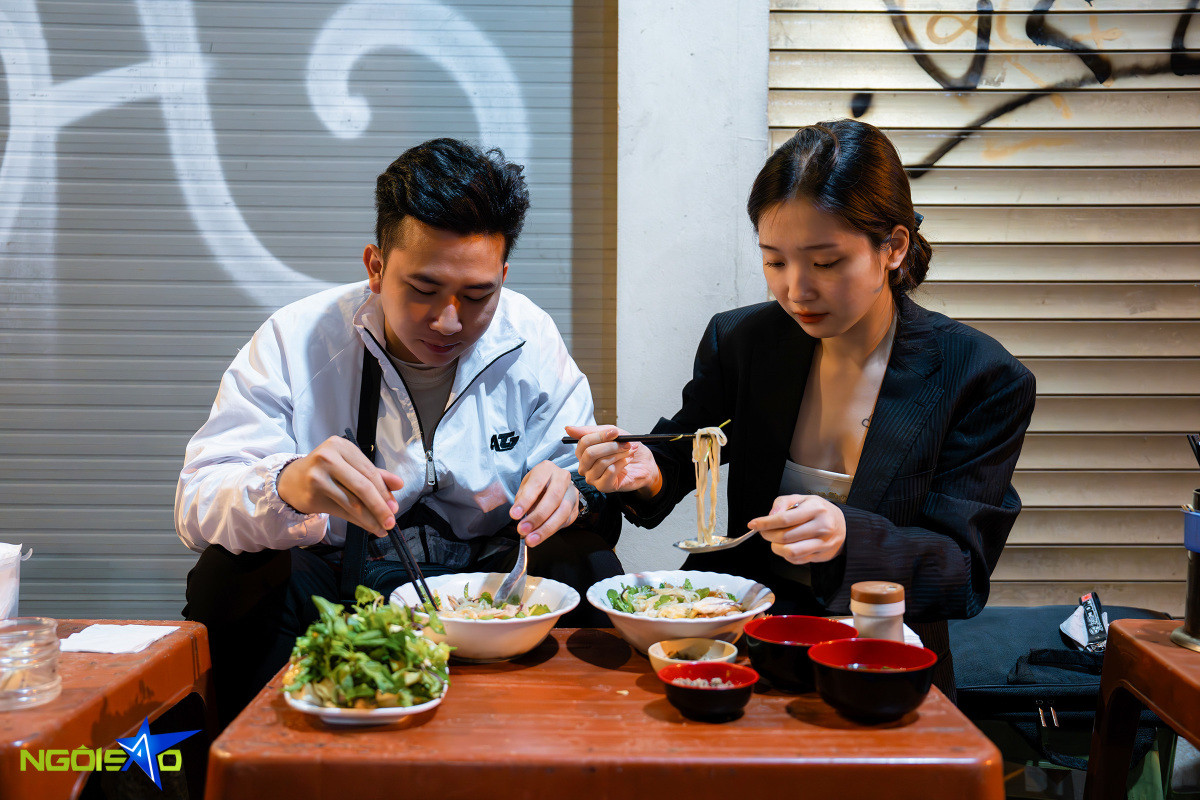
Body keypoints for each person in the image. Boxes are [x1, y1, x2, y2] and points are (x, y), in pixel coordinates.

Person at [569, 119, 1035, 697]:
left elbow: (961, 570)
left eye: (825, 262)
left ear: (893, 247)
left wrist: (847, 535)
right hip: (740, 643)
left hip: (880, 655)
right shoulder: (743, 342)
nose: (795, 290)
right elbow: (690, 448)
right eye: (775, 261)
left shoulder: (979, 375)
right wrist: (644, 471)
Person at [178, 138, 620, 725]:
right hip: (338, 580)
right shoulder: (296, 338)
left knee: (589, 563)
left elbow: (574, 473)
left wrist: (569, 491)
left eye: (478, 294)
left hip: (487, 581)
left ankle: (580, 751)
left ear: (503, 275)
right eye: (424, 290)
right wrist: (287, 484)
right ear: (376, 266)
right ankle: (257, 760)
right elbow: (198, 501)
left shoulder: (529, 339)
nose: (449, 321)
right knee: (229, 576)